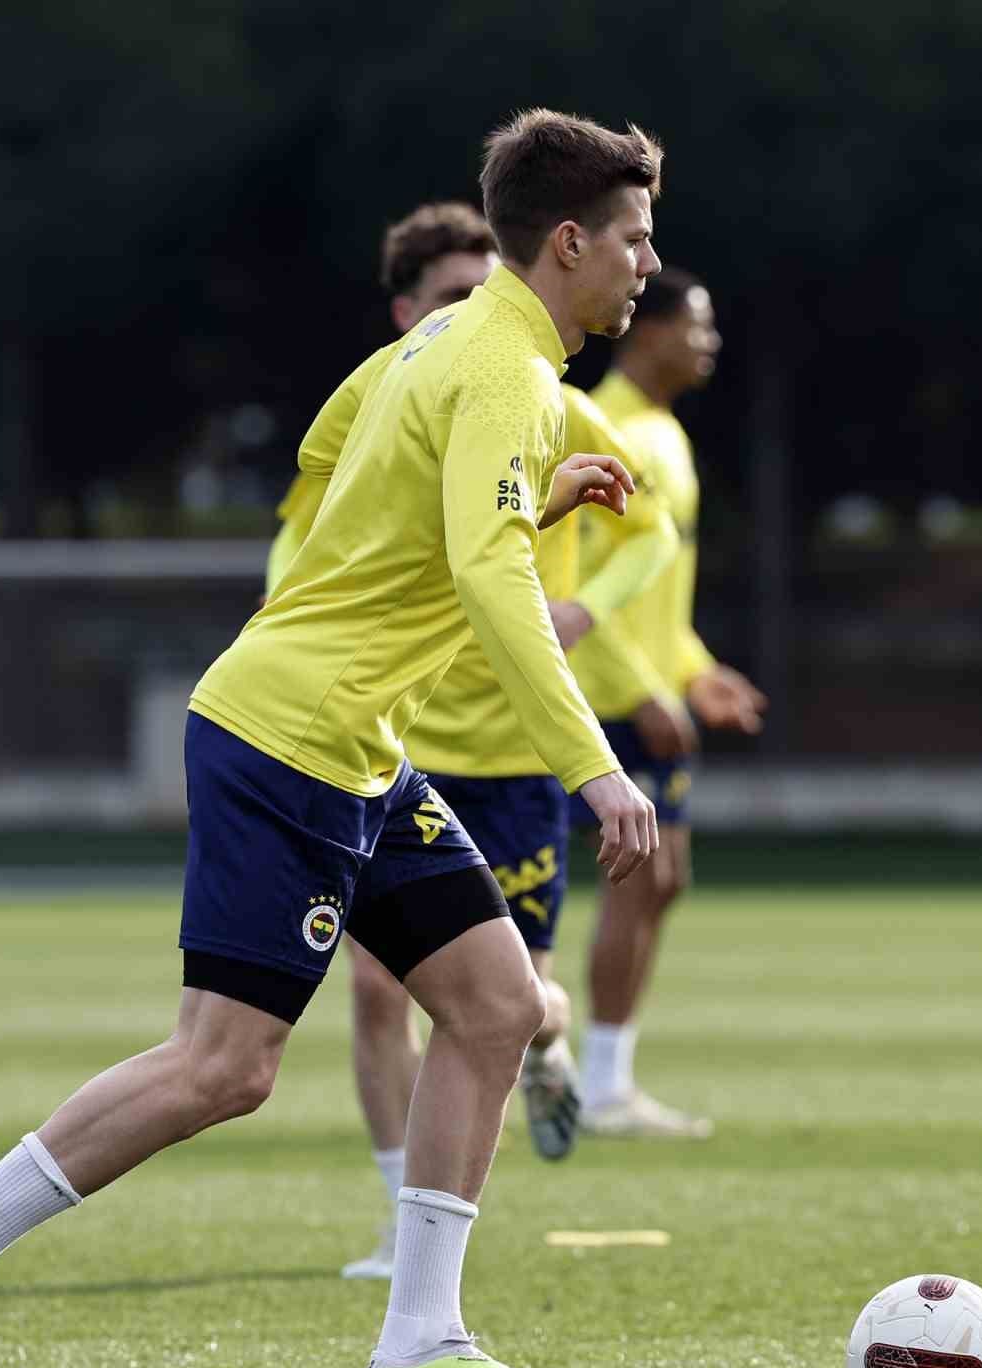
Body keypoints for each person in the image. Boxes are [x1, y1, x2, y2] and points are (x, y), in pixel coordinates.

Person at [0, 108, 665, 1368]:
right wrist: (594, 765)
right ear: (570, 241)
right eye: (634, 239)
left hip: (355, 744)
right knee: (225, 1066)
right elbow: (486, 577)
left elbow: (343, 454)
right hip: (294, 737)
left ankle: (422, 1345)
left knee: (499, 1008)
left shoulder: (447, 339)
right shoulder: (509, 370)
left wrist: (530, 494)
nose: (647, 263)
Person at [265, 201, 678, 1280]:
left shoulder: (542, 396)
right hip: (397, 739)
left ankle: (548, 1052)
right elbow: (316, 525)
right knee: (367, 991)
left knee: (513, 1002)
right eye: (446, 297)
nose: (467, 308)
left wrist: (593, 623)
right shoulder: (426, 378)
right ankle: (403, 1226)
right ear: (412, 311)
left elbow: (649, 530)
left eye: (477, 286)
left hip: (516, 757)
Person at [567, 267, 767, 1138]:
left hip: (650, 692)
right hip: (605, 696)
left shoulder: (667, 436)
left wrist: (692, 670)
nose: (710, 342)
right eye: (699, 325)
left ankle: (605, 1077)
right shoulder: (606, 428)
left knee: (664, 878)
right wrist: (636, 687)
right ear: (649, 332)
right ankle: (589, 1083)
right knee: (639, 876)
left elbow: (655, 591)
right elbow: (570, 585)